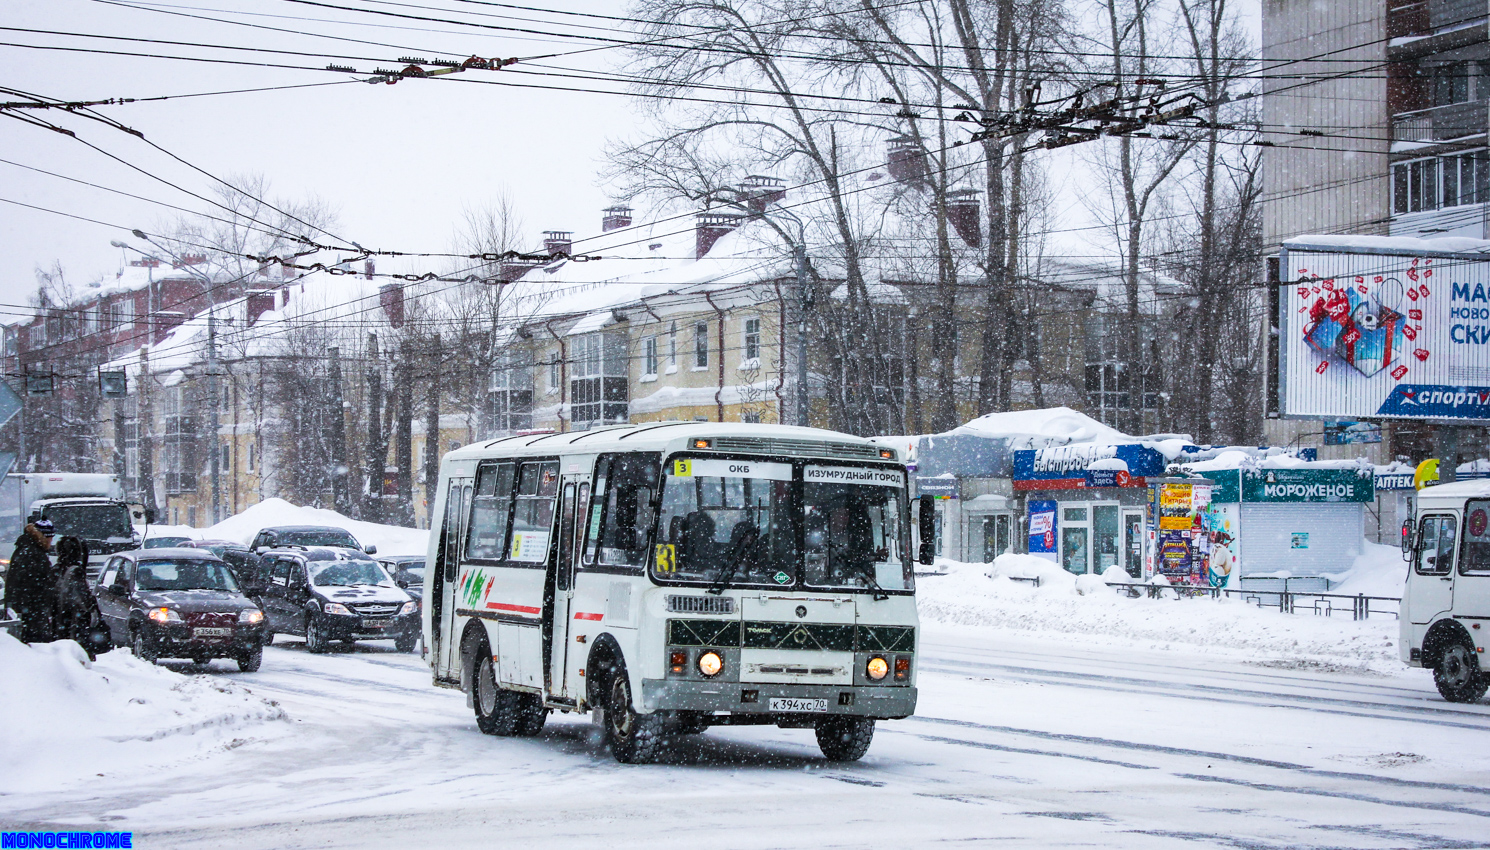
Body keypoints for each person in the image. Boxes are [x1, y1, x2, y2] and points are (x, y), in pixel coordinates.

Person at [3, 519, 57, 643]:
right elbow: (36, 585)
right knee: (35, 644)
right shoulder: (34, 554)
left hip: (24, 610)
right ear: (44, 537)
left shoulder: (25, 548)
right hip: (31, 612)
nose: (51, 541)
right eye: (50, 538)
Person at [54, 535, 106, 657]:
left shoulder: (55, 570)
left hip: (59, 624)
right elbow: (84, 601)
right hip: (74, 625)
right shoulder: (76, 572)